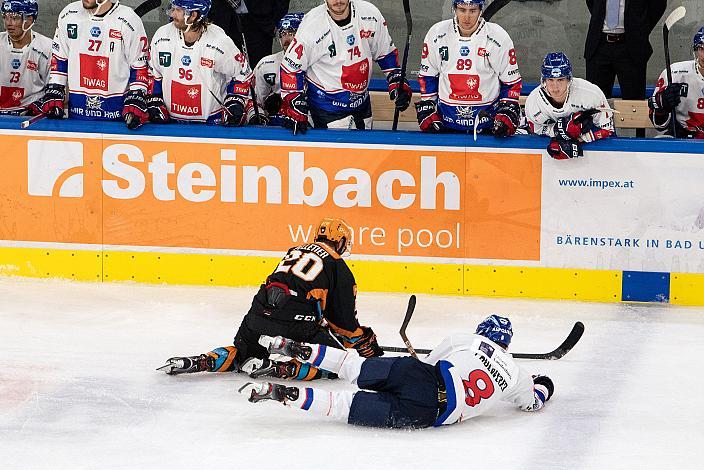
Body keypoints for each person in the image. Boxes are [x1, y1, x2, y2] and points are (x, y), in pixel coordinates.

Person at [158, 218, 383, 381]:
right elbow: (342, 322)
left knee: (244, 353)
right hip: (296, 325)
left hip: (257, 315)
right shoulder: (338, 267)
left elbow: (296, 290)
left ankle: (202, 360)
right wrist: (362, 339)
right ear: (341, 242)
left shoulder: (295, 251)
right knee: (338, 364)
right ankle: (279, 368)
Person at [240, 315, 554, 429]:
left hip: (423, 375)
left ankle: (291, 345)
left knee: (353, 366)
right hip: (429, 411)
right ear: (507, 344)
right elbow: (533, 402)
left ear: (482, 331)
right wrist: (542, 384)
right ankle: (282, 395)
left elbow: (430, 362)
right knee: (343, 407)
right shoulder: (515, 373)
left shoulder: (466, 339)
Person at [278, 0, 412, 133]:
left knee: (365, 151)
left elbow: (385, 52)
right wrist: (293, 100)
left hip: (362, 104)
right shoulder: (312, 25)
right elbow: (290, 67)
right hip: (327, 109)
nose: (338, 0)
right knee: (338, 153)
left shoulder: (370, 14)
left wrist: (395, 78)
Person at [32, 0, 149, 128]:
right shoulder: (69, 14)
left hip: (117, 117)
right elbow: (60, 57)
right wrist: (55, 88)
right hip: (77, 113)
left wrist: (137, 96)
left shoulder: (129, 19)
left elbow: (139, 65)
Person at [416, 0, 522, 136]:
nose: (467, 17)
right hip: (446, 124)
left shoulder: (498, 37)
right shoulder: (437, 33)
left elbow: (511, 82)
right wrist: (428, 106)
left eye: (472, 11)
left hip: (488, 125)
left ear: (480, 10)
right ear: (454, 9)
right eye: (462, 10)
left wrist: (506, 111)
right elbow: (428, 75)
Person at [147, 0, 254, 126]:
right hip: (172, 124)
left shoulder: (219, 41)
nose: (172, 14)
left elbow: (242, 74)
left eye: (178, 10)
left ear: (193, 15)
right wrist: (155, 100)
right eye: (173, 8)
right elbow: (153, 72)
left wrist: (235, 102)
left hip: (211, 124)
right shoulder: (162, 35)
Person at [525, 52, 614, 160]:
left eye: (560, 79)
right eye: (550, 80)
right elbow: (536, 129)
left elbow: (607, 129)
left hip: (597, 151)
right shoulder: (534, 102)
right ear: (543, 80)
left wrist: (578, 140)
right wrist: (557, 132)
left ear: (569, 79)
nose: (555, 86)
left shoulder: (590, 93)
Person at [584, 0, 666, 100]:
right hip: (598, 45)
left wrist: (640, 29)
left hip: (631, 47)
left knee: (634, 102)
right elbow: (592, 3)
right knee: (595, 101)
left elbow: (658, 5)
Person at [648, 27, 704, 139]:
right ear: (695, 50)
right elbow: (659, 125)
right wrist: (662, 106)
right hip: (683, 139)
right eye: (702, 48)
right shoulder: (675, 73)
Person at [0, 0, 51, 115]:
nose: (8, 23)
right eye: (5, 17)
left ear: (30, 20)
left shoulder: (47, 47)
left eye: (14, 18)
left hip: (31, 114)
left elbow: (56, 89)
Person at [252, 12, 303, 126]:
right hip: (276, 123)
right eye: (282, 34)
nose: (286, 38)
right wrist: (260, 116)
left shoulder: (316, 63)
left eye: (291, 33)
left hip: (308, 121)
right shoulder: (265, 64)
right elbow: (257, 102)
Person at [209, 0, 289, 71]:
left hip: (261, 21)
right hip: (221, 19)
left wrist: (276, 20)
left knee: (260, 70)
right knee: (227, 70)